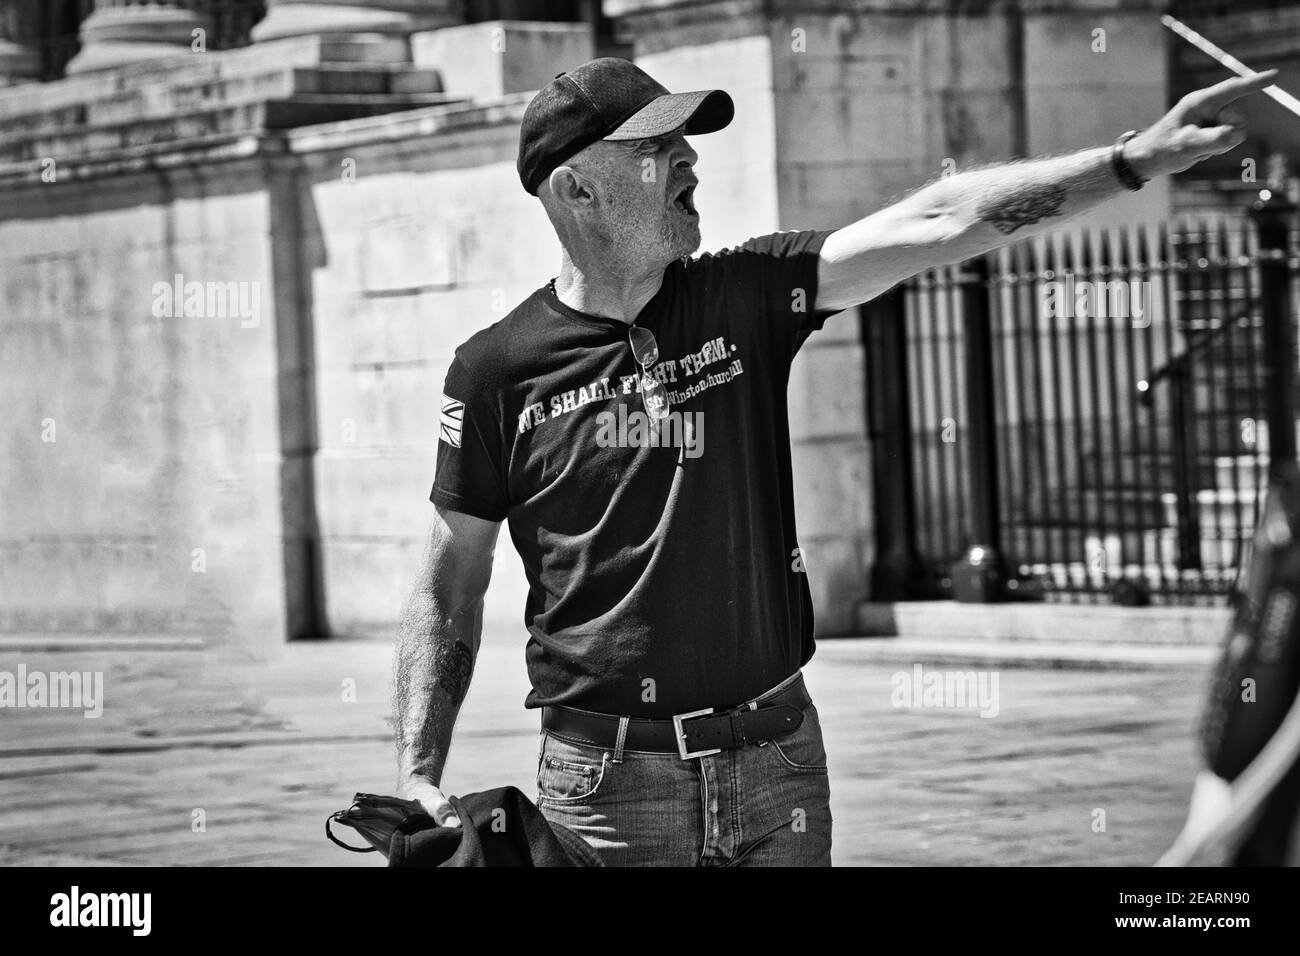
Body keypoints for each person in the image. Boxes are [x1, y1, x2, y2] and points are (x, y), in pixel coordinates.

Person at [392, 56, 1277, 866]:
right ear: (577, 189)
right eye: (658, 148)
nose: (691, 162)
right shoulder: (496, 371)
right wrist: (417, 772)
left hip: (779, 767)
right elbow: (449, 581)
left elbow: (940, 216)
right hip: (610, 795)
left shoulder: (746, 296)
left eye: (685, 142)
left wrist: (1131, 161)